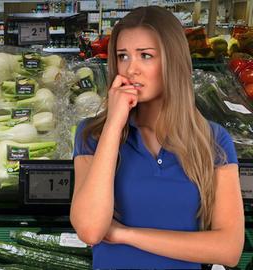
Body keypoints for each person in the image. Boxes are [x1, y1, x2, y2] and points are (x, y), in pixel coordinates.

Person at [70, 6, 244, 269]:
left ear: (173, 61)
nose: (131, 69)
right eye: (123, 56)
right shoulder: (92, 135)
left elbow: (229, 249)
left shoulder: (212, 140)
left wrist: (124, 234)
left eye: (146, 56)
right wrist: (114, 124)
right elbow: (91, 230)